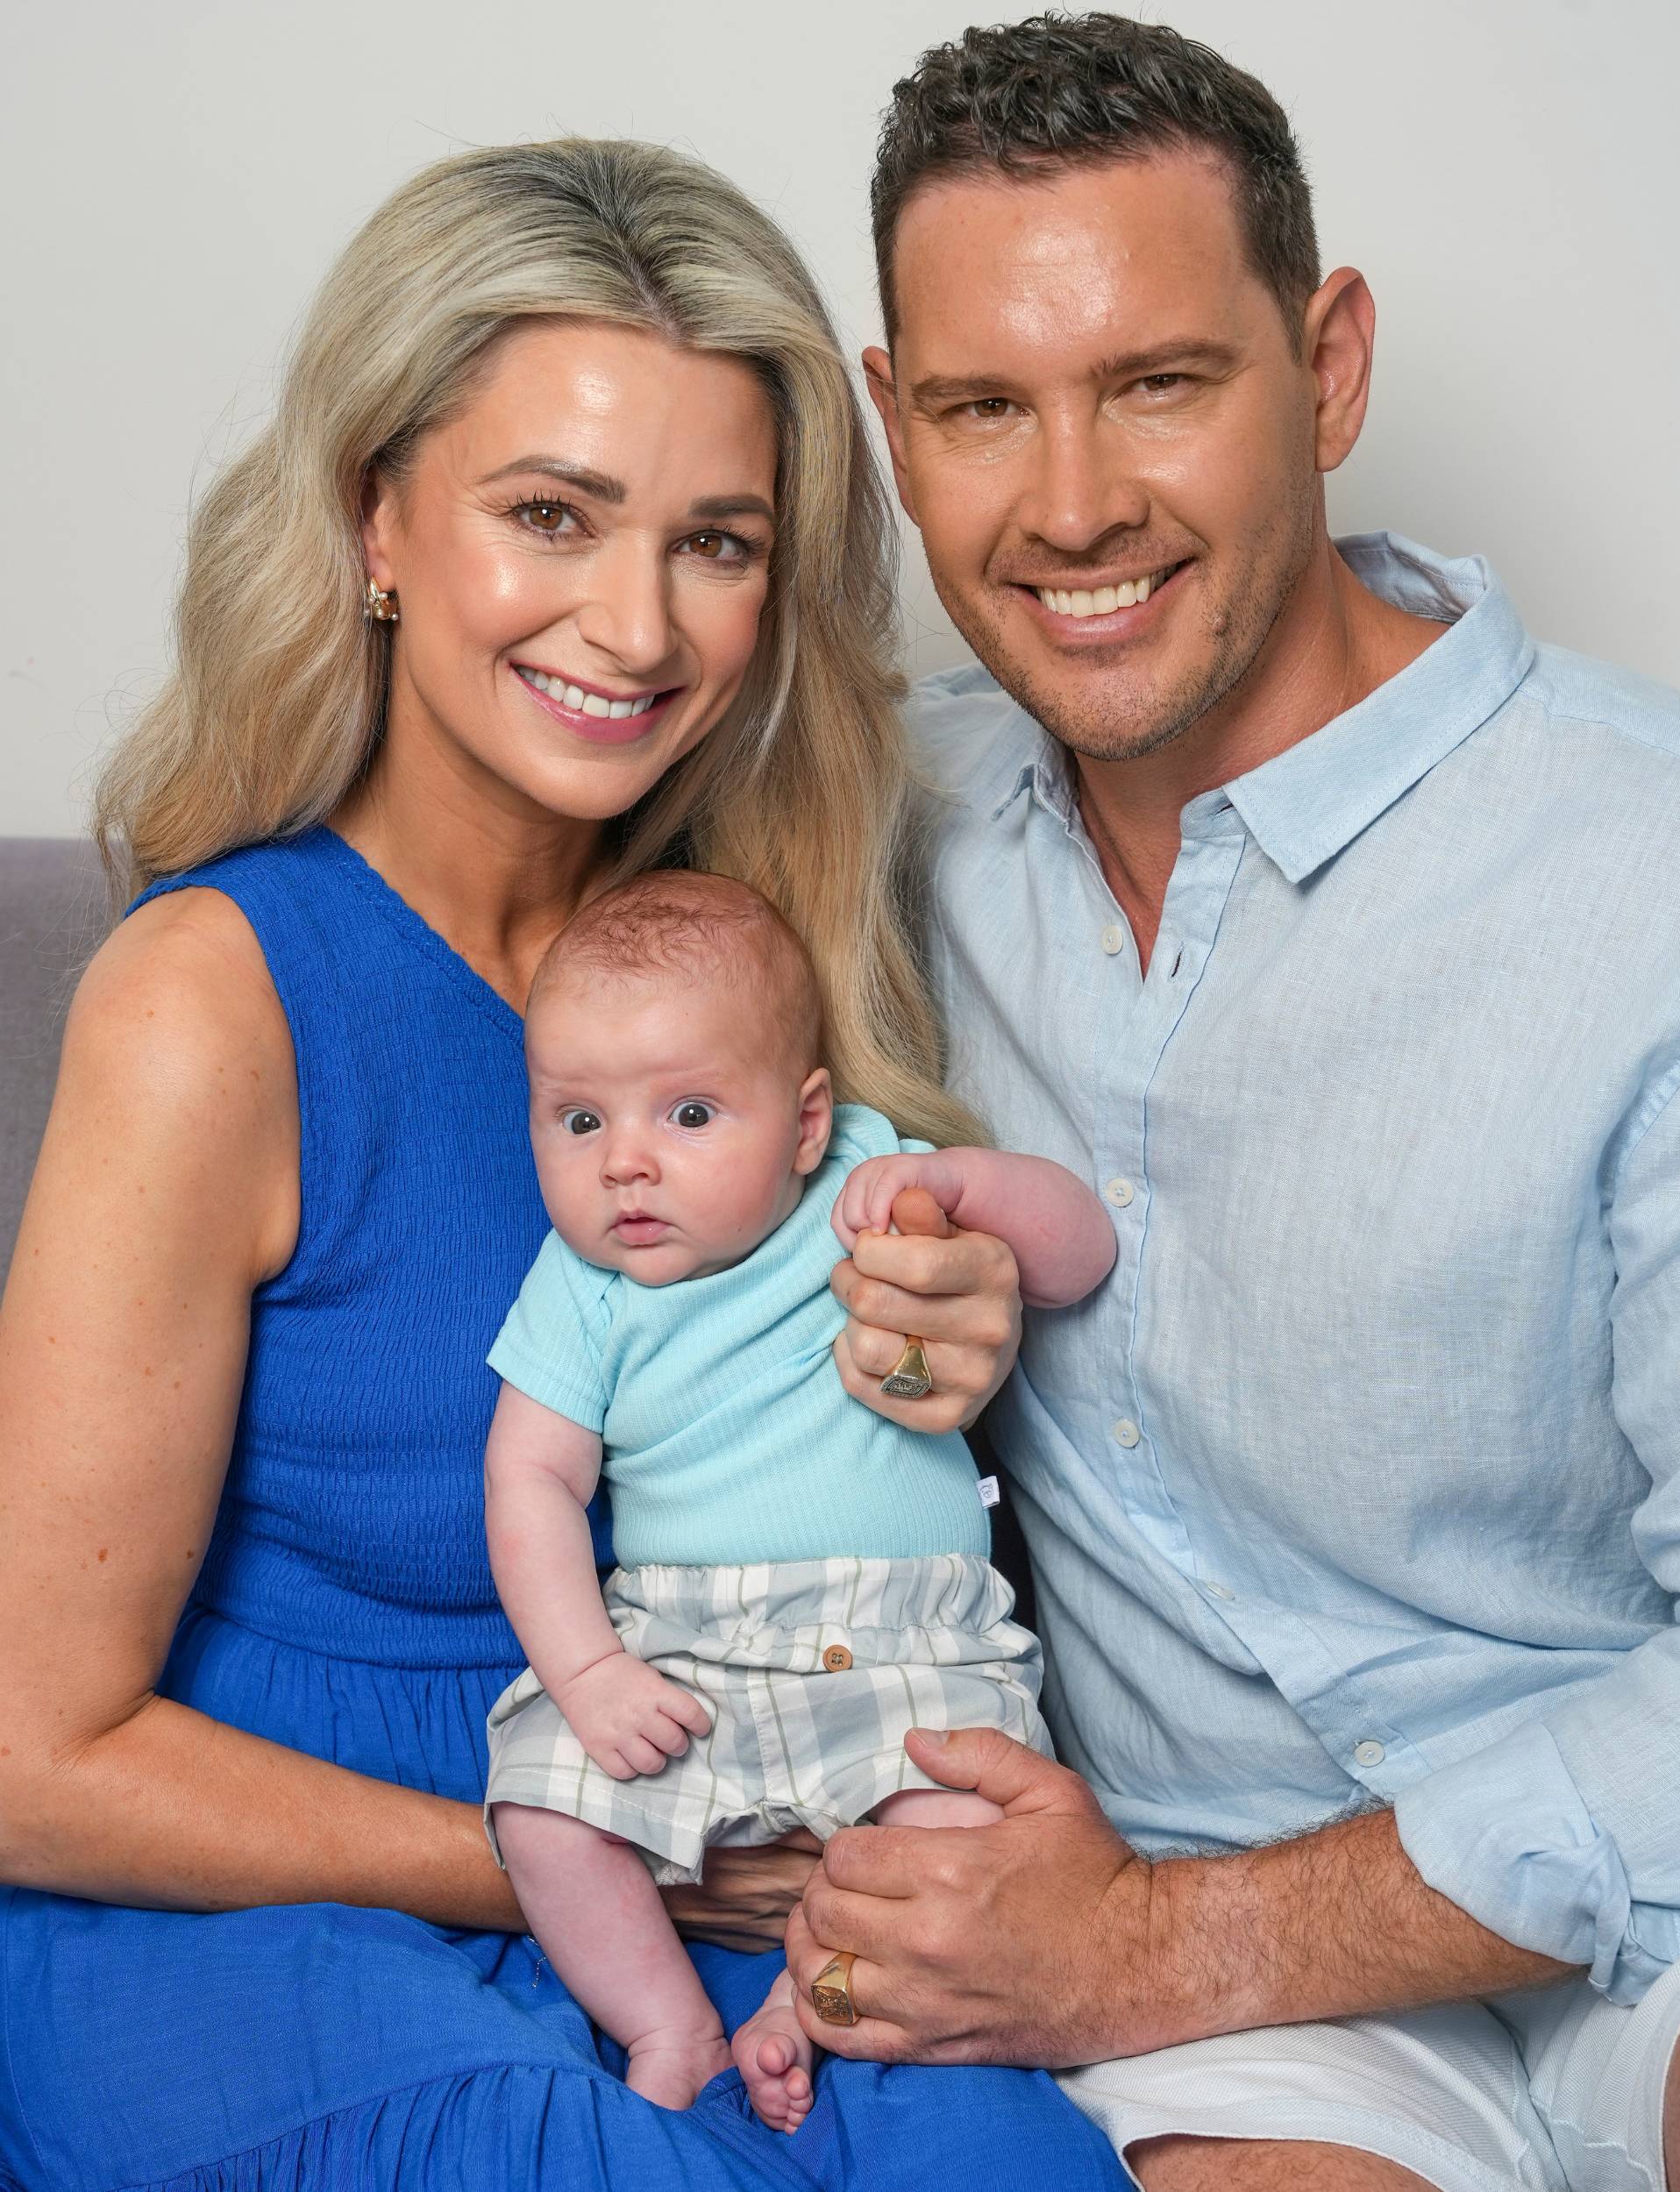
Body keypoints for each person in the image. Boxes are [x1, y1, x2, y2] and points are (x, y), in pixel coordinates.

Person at [0, 139, 1129, 2192]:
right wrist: (603, 1863)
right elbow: (27, 1756)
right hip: (267, 1915)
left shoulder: (747, 972)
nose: (636, 620)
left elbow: (853, 1494)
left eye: (717, 540)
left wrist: (940, 1345)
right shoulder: (212, 1000)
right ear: (375, 519)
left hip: (722, 1852)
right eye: (552, 514)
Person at [777, 16, 1680, 2192]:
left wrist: (1148, 1947)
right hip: (1259, 2016)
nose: (1073, 503)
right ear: (894, 426)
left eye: (1160, 382)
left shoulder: (1643, 876)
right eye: (983, 408)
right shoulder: (871, 823)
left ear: (1330, 366)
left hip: (1589, 1898)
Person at [478, 867, 1115, 2128]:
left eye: (690, 1113)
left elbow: (1080, 1253)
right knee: (539, 1814)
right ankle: (669, 2025)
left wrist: (974, 1191)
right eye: (579, 1120)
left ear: (808, 1124)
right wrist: (590, 1675)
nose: (627, 1165)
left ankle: (802, 2000)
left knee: (957, 1836)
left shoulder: (870, 1183)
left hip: (904, 1641)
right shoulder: (582, 1288)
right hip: (682, 1647)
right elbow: (530, 1479)